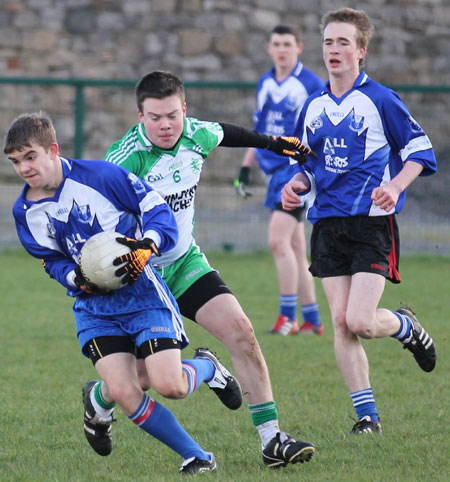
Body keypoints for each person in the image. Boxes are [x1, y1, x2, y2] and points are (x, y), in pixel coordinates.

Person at [86, 70, 316, 468]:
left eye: (172, 115)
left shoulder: (195, 133)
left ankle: (272, 440)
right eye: (155, 117)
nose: (166, 125)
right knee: (145, 381)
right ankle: (99, 398)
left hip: (183, 263)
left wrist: (275, 144)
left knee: (241, 331)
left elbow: (229, 133)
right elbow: (96, 221)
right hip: (139, 281)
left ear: (184, 110)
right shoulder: (124, 159)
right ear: (140, 116)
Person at [5, 111, 246, 474]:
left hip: (142, 294)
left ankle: (207, 368)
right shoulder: (25, 212)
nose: (24, 168)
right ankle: (197, 456)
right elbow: (50, 259)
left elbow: (155, 208)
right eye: (15, 161)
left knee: (171, 385)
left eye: (30, 156)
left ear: (52, 150)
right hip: (94, 307)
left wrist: (147, 246)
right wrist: (75, 279)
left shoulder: (101, 176)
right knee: (126, 391)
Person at [281, 8, 437, 434]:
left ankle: (405, 325)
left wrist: (397, 187)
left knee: (361, 322)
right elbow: (305, 165)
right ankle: (368, 417)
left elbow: (421, 153)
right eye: (329, 42)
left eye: (343, 42)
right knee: (340, 324)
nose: (334, 50)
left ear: (361, 50)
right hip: (327, 225)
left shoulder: (381, 99)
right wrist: (294, 183)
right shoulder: (312, 106)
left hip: (372, 221)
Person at [235, 24, 325, 336]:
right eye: (277, 43)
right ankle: (312, 319)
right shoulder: (265, 82)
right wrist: (246, 167)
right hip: (273, 173)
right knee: (296, 247)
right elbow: (257, 131)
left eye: (288, 43)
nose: (282, 49)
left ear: (299, 47)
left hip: (295, 171)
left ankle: (287, 317)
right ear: (269, 48)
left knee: (277, 240)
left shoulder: (310, 84)